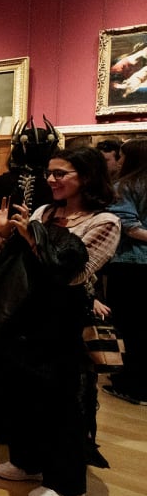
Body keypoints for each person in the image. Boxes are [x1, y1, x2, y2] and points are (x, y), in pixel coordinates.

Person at [0, 146, 119, 496]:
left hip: (64, 320)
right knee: (24, 391)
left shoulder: (104, 222)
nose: (51, 179)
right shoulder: (44, 212)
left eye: (60, 173)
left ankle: (68, 485)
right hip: (29, 312)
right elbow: (20, 262)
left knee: (63, 400)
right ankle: (27, 461)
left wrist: (33, 239)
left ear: (86, 177)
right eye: (50, 172)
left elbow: (74, 274)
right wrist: (5, 234)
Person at [102, 137, 147, 405]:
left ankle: (133, 385)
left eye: (121, 156)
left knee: (130, 325)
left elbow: (129, 226)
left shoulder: (124, 186)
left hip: (130, 262)